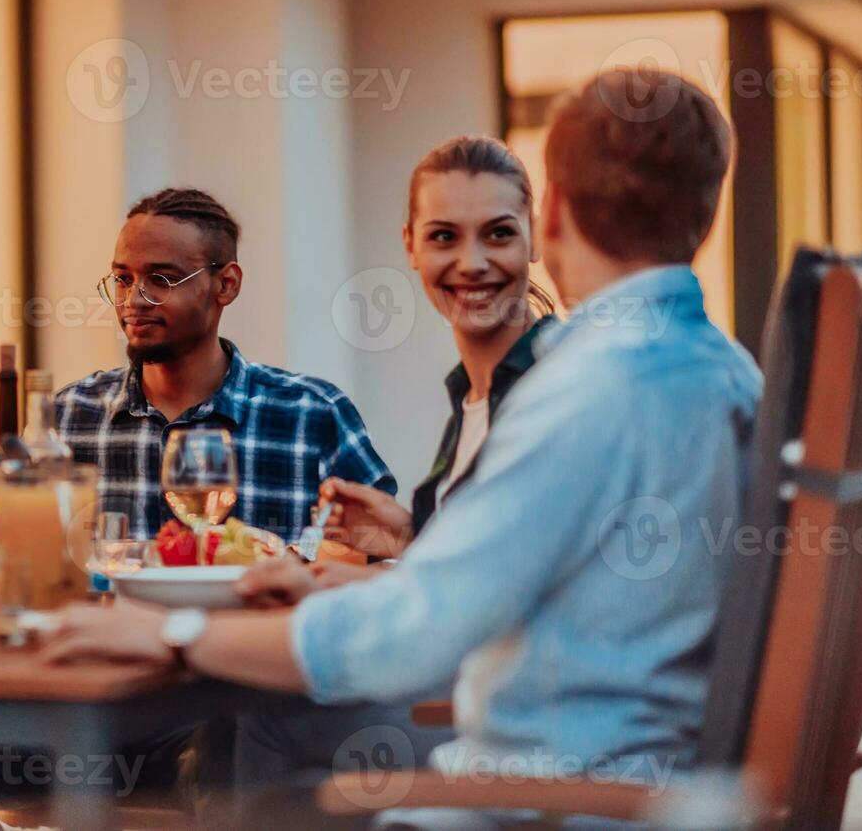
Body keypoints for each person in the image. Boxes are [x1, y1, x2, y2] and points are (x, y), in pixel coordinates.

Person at [43, 68, 763, 817]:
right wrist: (342, 574)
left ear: (551, 221)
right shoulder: (727, 373)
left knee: (243, 772)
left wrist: (169, 632)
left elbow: (415, 633)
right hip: (652, 782)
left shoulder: (587, 389)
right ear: (707, 214)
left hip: (556, 801)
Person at [229, 135, 557, 783]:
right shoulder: (476, 395)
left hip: (512, 714)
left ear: (535, 239)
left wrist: (319, 584)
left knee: (261, 713)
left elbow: (495, 599)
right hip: (472, 683)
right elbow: (499, 556)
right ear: (409, 245)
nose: (472, 262)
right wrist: (412, 533)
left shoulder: (548, 392)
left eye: (497, 234)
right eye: (444, 238)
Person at [55, 187, 396, 544]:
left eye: (162, 280)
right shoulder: (68, 418)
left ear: (226, 285)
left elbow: (384, 558)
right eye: (123, 279)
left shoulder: (313, 414)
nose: (134, 300)